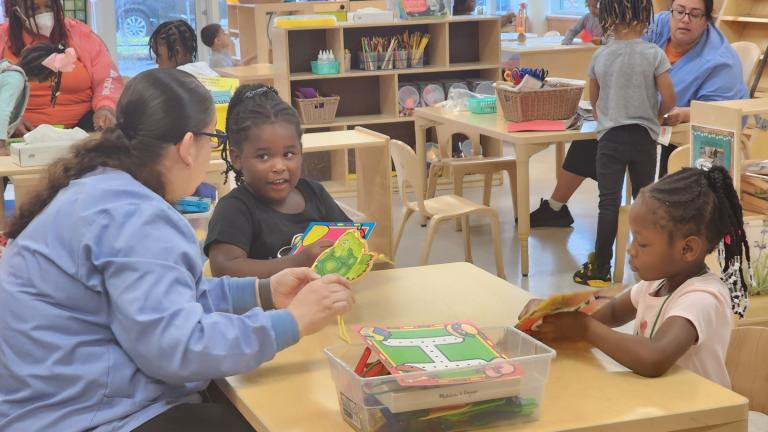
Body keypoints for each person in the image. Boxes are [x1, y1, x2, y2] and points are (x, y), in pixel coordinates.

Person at [0, 68, 355, 431]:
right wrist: (292, 322)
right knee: (289, 417)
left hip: (62, 405)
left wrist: (264, 291)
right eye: (212, 139)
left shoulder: (103, 190)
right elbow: (178, 349)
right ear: (188, 145)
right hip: (81, 417)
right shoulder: (137, 217)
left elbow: (168, 297)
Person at [522, 166, 750, 388]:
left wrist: (585, 328)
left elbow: (654, 357)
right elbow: (610, 311)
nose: (631, 250)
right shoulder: (655, 284)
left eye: (642, 243)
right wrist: (552, 315)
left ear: (687, 249)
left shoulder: (702, 297)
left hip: (704, 422)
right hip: (663, 410)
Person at [529, 0, 747, 228]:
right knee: (600, 132)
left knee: (635, 148)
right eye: (680, 11)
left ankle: (656, 225)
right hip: (643, 116)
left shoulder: (722, 62)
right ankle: (556, 207)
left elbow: (723, 114)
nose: (684, 19)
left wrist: (683, 113)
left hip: (680, 134)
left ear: (707, 20)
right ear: (671, 11)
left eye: (694, 14)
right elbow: (625, 51)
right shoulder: (659, 24)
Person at [573, 0, 676, 286]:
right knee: (644, 202)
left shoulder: (601, 56)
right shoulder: (654, 54)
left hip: (610, 139)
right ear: (645, 17)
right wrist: (654, 116)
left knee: (608, 204)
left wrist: (607, 116)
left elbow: (594, 103)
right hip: (644, 137)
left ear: (607, 19)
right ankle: (653, 266)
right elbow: (670, 100)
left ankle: (601, 269)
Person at [205, 84, 352, 279]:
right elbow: (224, 269)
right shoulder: (234, 209)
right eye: (264, 156)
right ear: (237, 158)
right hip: (266, 309)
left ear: (301, 151)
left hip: (323, 302)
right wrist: (299, 261)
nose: (279, 166)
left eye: (288, 154)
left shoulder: (314, 193)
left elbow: (352, 237)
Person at [0, 0, 123, 132]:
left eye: (49, 7)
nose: (44, 14)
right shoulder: (3, 38)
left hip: (84, 131)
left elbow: (107, 79)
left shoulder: (80, 34)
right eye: (34, 10)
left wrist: (106, 107)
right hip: (18, 134)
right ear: (17, 11)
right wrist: (9, 120)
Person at [150, 19, 218, 77]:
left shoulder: (176, 82)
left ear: (178, 53)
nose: (157, 62)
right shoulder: (206, 71)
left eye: (159, 56)